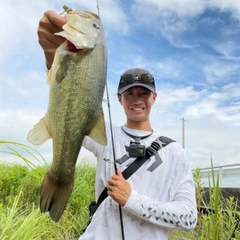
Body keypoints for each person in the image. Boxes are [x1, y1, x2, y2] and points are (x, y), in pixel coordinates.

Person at [38, 10, 197, 240]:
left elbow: (189, 218)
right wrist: (52, 59)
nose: (137, 99)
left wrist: (132, 200)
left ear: (154, 97)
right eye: (129, 93)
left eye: (144, 93)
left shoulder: (175, 152)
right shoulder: (105, 137)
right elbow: (68, 114)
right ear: (119, 99)